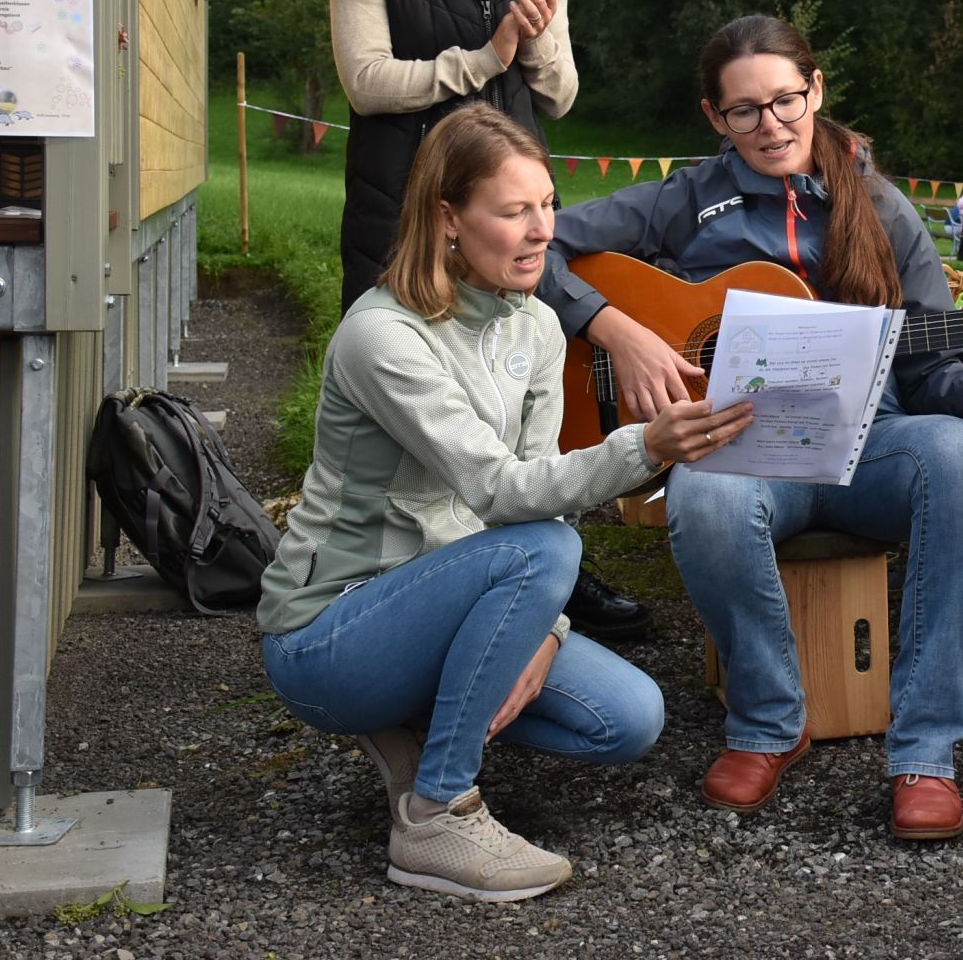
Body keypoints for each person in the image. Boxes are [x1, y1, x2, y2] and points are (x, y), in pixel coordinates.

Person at [537, 15, 963, 841]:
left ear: (817, 91)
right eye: (745, 110)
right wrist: (615, 329)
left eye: (786, 101)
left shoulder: (884, 208)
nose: (771, 124)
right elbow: (541, 242)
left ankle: (926, 752)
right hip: (747, 449)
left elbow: (929, 375)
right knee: (706, 491)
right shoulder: (684, 200)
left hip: (874, 446)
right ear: (714, 117)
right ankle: (768, 720)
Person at [257, 105, 749, 902]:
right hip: (329, 632)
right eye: (514, 210)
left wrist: (546, 632)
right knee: (549, 552)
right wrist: (646, 447)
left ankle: (419, 722)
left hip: (446, 600)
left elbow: (537, 496)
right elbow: (497, 490)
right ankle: (436, 813)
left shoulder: (539, 329)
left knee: (630, 715)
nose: (541, 230)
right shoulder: (384, 334)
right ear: (448, 218)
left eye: (547, 204)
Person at [326, 0, 648, 643]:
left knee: (522, 395)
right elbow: (366, 81)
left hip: (504, 212)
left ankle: (550, 576)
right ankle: (381, 591)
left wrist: (534, 40)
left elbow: (564, 90)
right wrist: (486, 50)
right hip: (403, 212)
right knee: (411, 408)